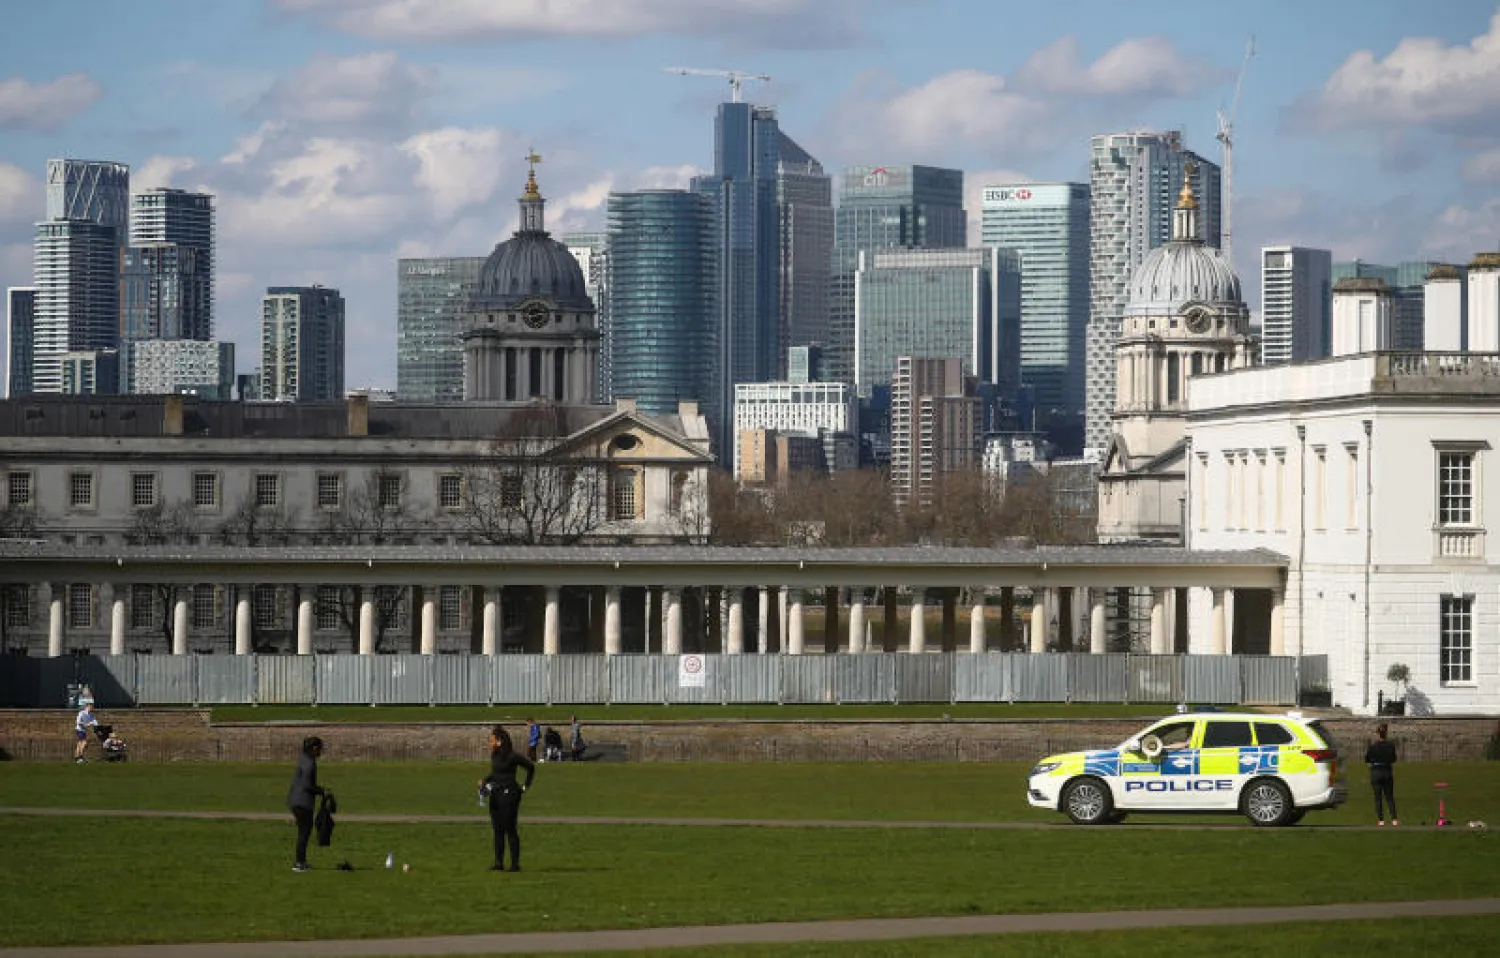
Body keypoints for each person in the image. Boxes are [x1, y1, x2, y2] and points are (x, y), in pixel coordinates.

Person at [479, 725, 535, 872]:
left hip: (510, 794)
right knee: (497, 829)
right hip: (496, 793)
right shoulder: (495, 755)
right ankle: (498, 863)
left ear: (500, 741)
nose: (489, 742)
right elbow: (496, 774)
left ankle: (515, 865)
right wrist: (485, 781)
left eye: (491, 739)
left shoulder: (512, 756)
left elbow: (530, 767)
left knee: (509, 828)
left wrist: (525, 786)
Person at [286, 736, 329, 871]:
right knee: (304, 833)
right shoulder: (310, 764)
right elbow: (307, 785)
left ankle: (301, 862)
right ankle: (300, 863)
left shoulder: (304, 759)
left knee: (303, 832)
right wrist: (322, 791)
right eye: (320, 748)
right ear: (314, 748)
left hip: (295, 801)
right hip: (302, 802)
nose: (321, 751)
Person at [1364, 722, 1399, 826]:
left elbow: (1367, 759)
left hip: (1376, 772)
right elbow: (1393, 759)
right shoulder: (1390, 746)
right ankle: (1394, 819)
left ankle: (1381, 820)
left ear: (1377, 733)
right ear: (1386, 733)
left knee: (1378, 798)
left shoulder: (1373, 747)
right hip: (1387, 771)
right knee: (1389, 797)